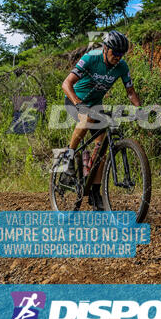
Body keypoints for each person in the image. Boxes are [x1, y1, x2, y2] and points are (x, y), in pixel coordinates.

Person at [61, 30, 141, 210]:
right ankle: (69, 156)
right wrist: (78, 103)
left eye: (122, 54)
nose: (118, 57)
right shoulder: (91, 58)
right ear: (105, 48)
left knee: (103, 147)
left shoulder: (122, 66)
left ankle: (96, 192)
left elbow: (130, 92)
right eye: (115, 53)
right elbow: (66, 84)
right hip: (74, 100)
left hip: (95, 105)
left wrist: (139, 109)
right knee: (85, 118)